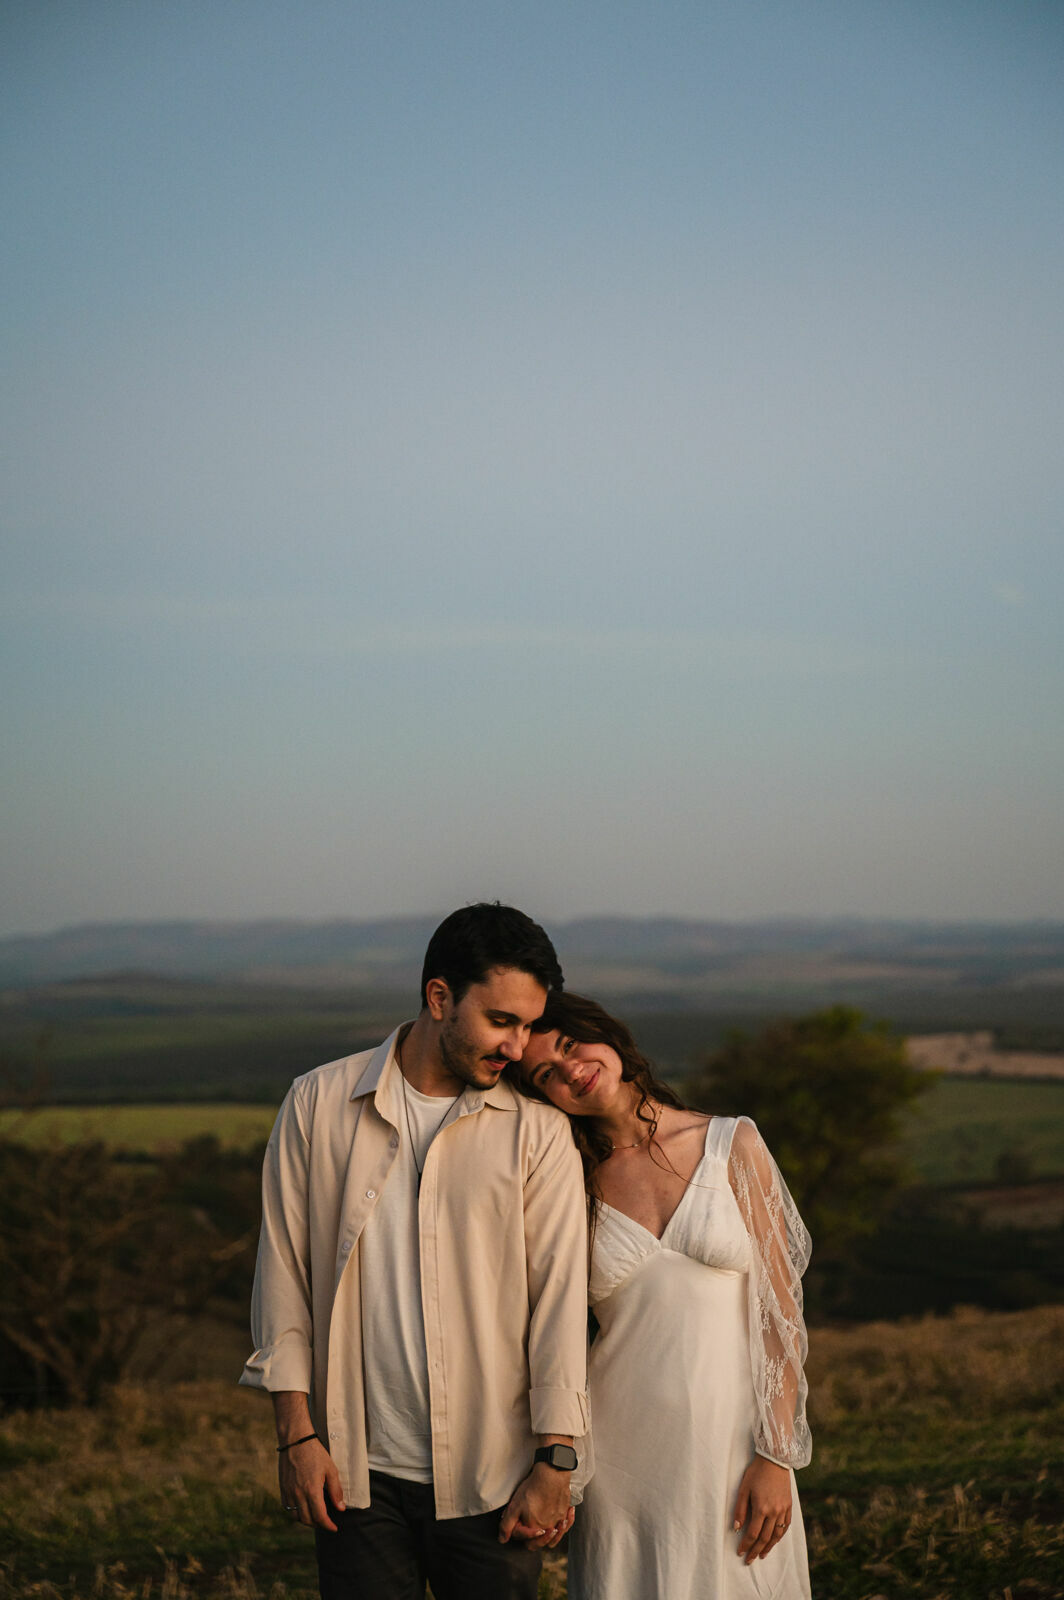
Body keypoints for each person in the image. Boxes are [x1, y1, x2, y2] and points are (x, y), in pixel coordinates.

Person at [241, 903, 590, 1600]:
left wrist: (557, 1464)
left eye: (528, 1025)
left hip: (495, 1478)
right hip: (355, 1477)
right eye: (501, 1022)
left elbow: (559, 1303)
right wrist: (297, 1439)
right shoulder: (317, 1103)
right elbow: (283, 1274)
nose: (519, 1048)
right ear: (439, 998)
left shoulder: (539, 1133)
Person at [517, 991, 813, 1600]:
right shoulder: (566, 1181)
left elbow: (780, 1311)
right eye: (546, 1073)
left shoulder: (733, 1143)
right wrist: (562, 1467)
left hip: (735, 1442)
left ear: (608, 1038)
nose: (570, 1069)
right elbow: (554, 1333)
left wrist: (778, 1455)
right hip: (623, 1457)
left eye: (571, 1045)